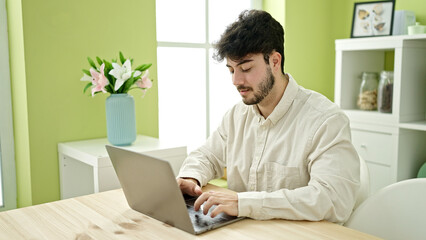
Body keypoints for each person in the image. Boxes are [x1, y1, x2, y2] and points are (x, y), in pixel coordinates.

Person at [176, 9, 360, 224]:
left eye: (245, 68)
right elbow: (207, 155)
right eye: (231, 70)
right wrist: (191, 176)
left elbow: (333, 200)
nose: (236, 80)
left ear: (274, 61)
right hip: (246, 232)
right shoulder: (237, 115)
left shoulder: (325, 120)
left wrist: (243, 202)